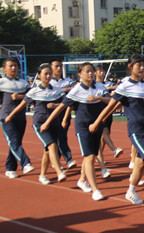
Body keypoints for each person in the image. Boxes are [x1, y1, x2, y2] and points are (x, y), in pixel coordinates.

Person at [92, 55, 144, 211]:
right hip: (136, 130)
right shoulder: (124, 85)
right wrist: (97, 122)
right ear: (130, 66)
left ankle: (131, 191)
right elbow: (111, 106)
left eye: (143, 65)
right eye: (138, 65)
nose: (141, 68)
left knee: (141, 164)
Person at [42, 62, 111, 200]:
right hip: (83, 127)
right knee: (90, 157)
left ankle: (81, 180)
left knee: (89, 157)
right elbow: (62, 107)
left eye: (92, 71)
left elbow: (110, 101)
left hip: (96, 126)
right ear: (80, 74)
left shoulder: (100, 87)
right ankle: (96, 189)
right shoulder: (76, 90)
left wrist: (98, 98)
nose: (90, 73)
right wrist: (47, 122)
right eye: (87, 71)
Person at [5, 63, 68, 184]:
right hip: (40, 124)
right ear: (39, 76)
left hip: (54, 124)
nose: (48, 76)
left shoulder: (57, 91)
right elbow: (22, 105)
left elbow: (65, 105)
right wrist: (10, 115)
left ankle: (43, 175)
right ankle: (59, 172)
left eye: (50, 73)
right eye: (45, 74)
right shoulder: (34, 91)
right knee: (52, 145)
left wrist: (55, 106)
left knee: (47, 151)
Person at [1, 57, 36, 178]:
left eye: (15, 66)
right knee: (14, 142)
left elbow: (31, 97)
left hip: (21, 117)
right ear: (4, 68)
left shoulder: (23, 83)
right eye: (10, 66)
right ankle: (25, 163)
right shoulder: (1, 83)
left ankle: (10, 168)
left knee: (16, 143)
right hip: (6, 117)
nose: (13, 68)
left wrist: (20, 97)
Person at [49, 59, 76, 170]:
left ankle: (66, 159)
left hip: (65, 112)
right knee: (54, 138)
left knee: (62, 136)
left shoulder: (68, 81)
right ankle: (60, 159)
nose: (59, 68)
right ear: (51, 68)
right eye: (56, 66)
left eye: (60, 66)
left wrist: (64, 89)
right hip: (52, 113)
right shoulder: (49, 82)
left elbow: (75, 90)